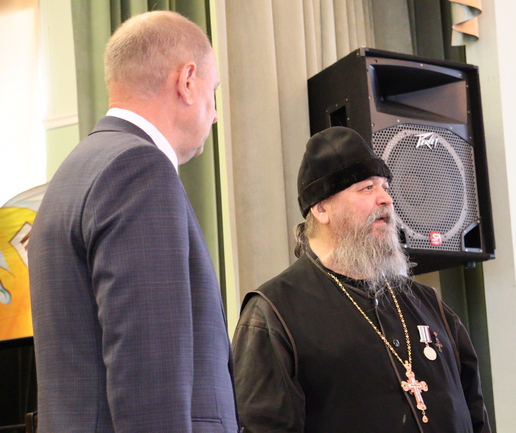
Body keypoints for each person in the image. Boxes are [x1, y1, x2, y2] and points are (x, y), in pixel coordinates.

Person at [28, 11, 239, 432]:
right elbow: (149, 374)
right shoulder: (139, 169)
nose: (215, 114)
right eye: (213, 92)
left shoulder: (74, 173)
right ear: (187, 81)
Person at [233, 126, 491, 433]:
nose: (386, 199)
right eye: (367, 188)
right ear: (322, 208)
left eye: (385, 187)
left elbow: (476, 416)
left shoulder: (431, 306)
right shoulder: (275, 314)